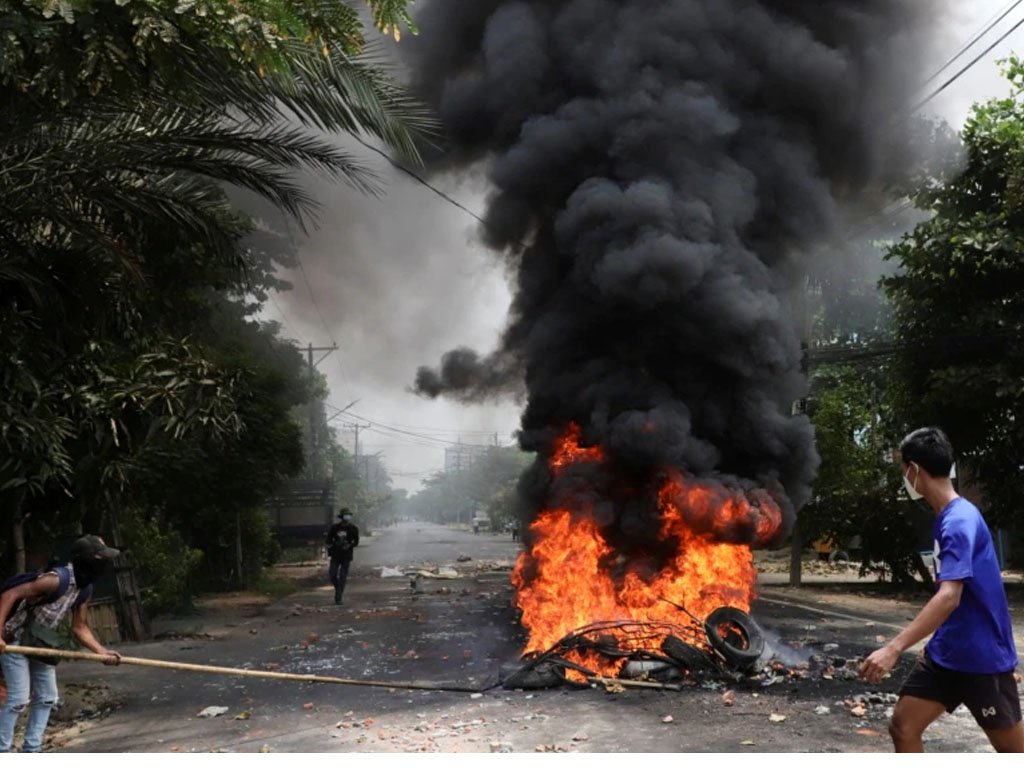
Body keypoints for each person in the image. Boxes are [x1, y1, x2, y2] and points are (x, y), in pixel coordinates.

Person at [860, 427, 1021, 753]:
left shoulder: (959, 521)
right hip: (947, 654)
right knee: (903, 727)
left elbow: (950, 596)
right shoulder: (946, 517)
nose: (903, 477)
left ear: (914, 470)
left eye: (903, 469)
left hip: (981, 657)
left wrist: (893, 648)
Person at [0, 535, 122, 753]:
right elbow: (10, 594)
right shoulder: (56, 579)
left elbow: (80, 627)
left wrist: (103, 652)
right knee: (18, 699)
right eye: (100, 558)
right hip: (16, 639)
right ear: (86, 559)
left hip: (41, 643)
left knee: (47, 698)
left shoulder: (85, 589)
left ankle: (32, 750)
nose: (103, 564)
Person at [325, 509, 359, 605]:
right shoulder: (334, 528)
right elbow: (328, 540)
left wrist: (349, 545)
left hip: (346, 555)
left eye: (348, 515)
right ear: (342, 517)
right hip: (335, 555)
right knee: (332, 575)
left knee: (343, 576)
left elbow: (356, 542)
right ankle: (338, 588)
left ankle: (338, 597)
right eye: (345, 515)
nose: (347, 517)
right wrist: (334, 544)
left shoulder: (353, 528)